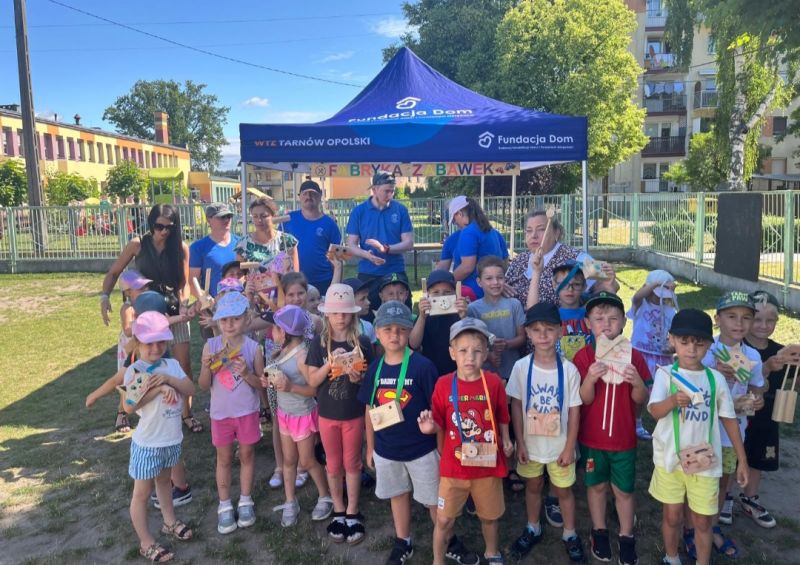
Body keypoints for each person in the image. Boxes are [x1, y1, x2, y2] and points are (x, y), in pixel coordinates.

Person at [648, 309, 749, 565]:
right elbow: (654, 411)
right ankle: (671, 557)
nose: (692, 349)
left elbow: (729, 419)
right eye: (684, 342)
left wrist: (742, 460)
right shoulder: (665, 374)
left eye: (699, 343)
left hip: (705, 462)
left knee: (703, 520)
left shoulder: (715, 379)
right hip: (669, 459)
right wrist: (672, 401)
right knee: (672, 516)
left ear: (709, 345)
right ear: (671, 339)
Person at [418, 317, 511, 565]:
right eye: (463, 350)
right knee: (443, 519)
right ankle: (438, 560)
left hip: (486, 466)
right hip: (453, 469)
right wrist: (430, 427)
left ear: (486, 353)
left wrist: (506, 439)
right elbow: (438, 420)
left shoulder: (493, 382)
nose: (470, 357)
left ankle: (492, 552)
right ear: (452, 353)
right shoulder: (443, 384)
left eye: (477, 351)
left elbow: (503, 415)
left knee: (489, 517)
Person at [100, 204, 199, 434]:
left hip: (173, 310)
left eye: (169, 227)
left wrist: (183, 303)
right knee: (136, 363)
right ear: (150, 224)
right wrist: (105, 296)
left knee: (183, 363)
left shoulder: (180, 247)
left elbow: (183, 283)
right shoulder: (137, 245)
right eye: (159, 226)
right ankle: (123, 411)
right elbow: (114, 272)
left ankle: (186, 413)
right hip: (145, 312)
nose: (164, 231)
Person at [357, 301, 441, 565]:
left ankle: (447, 539)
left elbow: (438, 410)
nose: (395, 335)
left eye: (402, 329)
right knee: (397, 494)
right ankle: (403, 540)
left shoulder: (423, 367)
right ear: (377, 333)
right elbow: (369, 409)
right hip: (387, 450)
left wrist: (440, 446)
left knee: (434, 500)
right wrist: (370, 447)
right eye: (388, 329)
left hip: (422, 450)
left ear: (410, 331)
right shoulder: (375, 368)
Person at [574, 292, 651, 565]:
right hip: (592, 438)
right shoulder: (584, 357)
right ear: (588, 323)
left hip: (623, 438)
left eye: (613, 318)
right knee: (596, 486)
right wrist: (590, 379)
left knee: (624, 490)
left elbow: (641, 399)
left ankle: (626, 535)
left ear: (623, 323)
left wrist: (638, 383)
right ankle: (599, 531)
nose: (606, 324)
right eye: (599, 318)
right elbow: (584, 399)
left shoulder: (634, 357)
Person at [506, 303, 585, 563]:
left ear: (560, 331)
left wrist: (570, 447)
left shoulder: (569, 370)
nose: (543, 335)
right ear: (528, 333)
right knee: (533, 485)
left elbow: (574, 411)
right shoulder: (521, 367)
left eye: (549, 329)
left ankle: (570, 533)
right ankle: (533, 526)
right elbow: (516, 405)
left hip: (560, 445)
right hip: (531, 445)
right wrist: (520, 442)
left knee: (564, 490)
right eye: (536, 330)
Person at [123, 311, 195, 563]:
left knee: (165, 483)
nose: (156, 348)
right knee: (141, 494)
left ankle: (169, 522)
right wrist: (158, 388)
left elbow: (190, 389)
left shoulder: (171, 365)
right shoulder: (135, 371)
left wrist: (169, 379)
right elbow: (130, 406)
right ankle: (146, 542)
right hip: (148, 444)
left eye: (161, 342)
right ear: (138, 343)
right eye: (149, 343)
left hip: (170, 439)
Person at [307, 284, 375, 545]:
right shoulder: (318, 343)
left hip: (354, 414)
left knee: (353, 464)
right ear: (327, 314)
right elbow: (313, 381)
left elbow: (370, 382)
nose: (341, 317)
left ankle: (353, 510)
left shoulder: (363, 343)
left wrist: (359, 379)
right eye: (335, 312)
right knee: (333, 464)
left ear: (353, 314)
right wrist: (330, 364)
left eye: (346, 312)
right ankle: (338, 508)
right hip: (327, 415)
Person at [701, 291, 764, 555]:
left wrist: (756, 400)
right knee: (697, 479)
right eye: (731, 316)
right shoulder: (705, 350)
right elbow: (690, 383)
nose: (739, 323)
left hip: (731, 434)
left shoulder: (753, 356)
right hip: (702, 430)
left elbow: (756, 387)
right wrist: (714, 372)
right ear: (717, 319)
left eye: (746, 317)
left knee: (722, 483)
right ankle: (691, 528)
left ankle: (712, 527)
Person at [198, 292, 264, 535]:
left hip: (247, 412)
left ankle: (246, 500)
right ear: (218, 321)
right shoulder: (211, 346)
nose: (229, 324)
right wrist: (206, 367)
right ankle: (224, 504)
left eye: (235, 319)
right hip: (220, 414)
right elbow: (203, 385)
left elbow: (261, 384)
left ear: (247, 319)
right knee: (223, 458)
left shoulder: (253, 348)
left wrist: (246, 374)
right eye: (224, 319)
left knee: (247, 455)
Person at [263, 305, 333, 528]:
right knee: (288, 460)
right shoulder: (281, 350)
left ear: (283, 332)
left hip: (302, 415)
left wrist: (290, 387)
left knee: (307, 461)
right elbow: (278, 376)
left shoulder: (302, 356)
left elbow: (314, 389)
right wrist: (268, 380)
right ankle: (290, 501)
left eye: (274, 328)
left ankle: (325, 496)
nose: (271, 332)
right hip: (285, 413)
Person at [742, 290, 792, 529]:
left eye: (770, 320)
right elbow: (743, 380)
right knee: (734, 455)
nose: (764, 325)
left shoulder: (782, 351)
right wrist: (767, 367)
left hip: (769, 416)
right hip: (740, 414)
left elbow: (794, 381)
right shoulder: (737, 347)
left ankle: (750, 498)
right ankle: (726, 496)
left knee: (759, 459)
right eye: (757, 319)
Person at [505, 209, 619, 308]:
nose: (533, 235)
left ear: (556, 233)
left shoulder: (576, 257)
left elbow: (609, 282)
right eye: (529, 231)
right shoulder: (519, 260)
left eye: (541, 229)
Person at [346, 172, 414, 316]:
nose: (390, 195)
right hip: (368, 272)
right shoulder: (359, 212)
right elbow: (351, 244)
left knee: (402, 315)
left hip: (395, 270)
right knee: (366, 316)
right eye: (386, 191)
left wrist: (386, 249)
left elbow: (408, 243)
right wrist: (367, 255)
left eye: (392, 191)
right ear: (374, 189)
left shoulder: (400, 210)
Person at [628, 270, 679, 440]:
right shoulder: (641, 305)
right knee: (639, 392)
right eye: (657, 294)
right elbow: (637, 297)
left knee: (664, 391)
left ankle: (665, 425)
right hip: (641, 355)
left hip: (662, 358)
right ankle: (637, 422)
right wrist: (655, 284)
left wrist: (672, 348)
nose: (660, 299)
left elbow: (675, 337)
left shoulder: (671, 311)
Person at [467, 256, 526, 381]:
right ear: (479, 282)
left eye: (499, 278)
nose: (495, 282)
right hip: (484, 374)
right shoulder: (472, 309)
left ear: (505, 279)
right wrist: (489, 355)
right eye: (489, 278)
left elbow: (522, 337)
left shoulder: (514, 304)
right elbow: (470, 342)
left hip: (512, 372)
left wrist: (507, 344)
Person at [283, 178, 342, 296]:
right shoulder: (288, 220)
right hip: (294, 281)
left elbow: (338, 258)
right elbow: (278, 250)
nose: (308, 197)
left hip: (323, 280)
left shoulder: (329, 224)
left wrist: (337, 286)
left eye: (313, 194)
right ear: (299, 197)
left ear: (320, 196)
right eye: (305, 193)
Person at [528, 259, 592, 361]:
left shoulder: (591, 314)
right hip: (558, 368)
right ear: (554, 285)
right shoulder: (551, 315)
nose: (570, 289)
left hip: (587, 368)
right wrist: (536, 272)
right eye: (564, 283)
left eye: (576, 284)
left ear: (584, 286)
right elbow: (532, 310)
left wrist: (609, 282)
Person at [114, 270, 153, 433]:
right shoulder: (127, 308)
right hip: (129, 350)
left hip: (141, 348)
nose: (145, 290)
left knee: (141, 377)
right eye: (140, 288)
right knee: (127, 380)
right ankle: (121, 413)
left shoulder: (145, 306)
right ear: (128, 292)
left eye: (145, 287)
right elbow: (128, 330)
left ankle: (143, 409)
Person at [410, 269, 468, 376]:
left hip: (457, 370)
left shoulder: (459, 314)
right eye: (436, 292)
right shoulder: (425, 316)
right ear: (428, 294)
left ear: (455, 293)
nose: (442, 296)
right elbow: (414, 344)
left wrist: (464, 317)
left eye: (447, 292)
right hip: (431, 370)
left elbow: (471, 340)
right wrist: (422, 317)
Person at [447, 196, 507, 299]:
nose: (455, 223)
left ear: (460, 213)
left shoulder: (468, 232)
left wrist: (447, 282)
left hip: (472, 295)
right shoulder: (492, 231)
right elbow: (504, 262)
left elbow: (467, 267)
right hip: (493, 293)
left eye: (454, 220)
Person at [189, 203, 240, 302]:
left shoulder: (241, 243)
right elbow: (192, 282)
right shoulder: (198, 248)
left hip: (240, 303)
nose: (226, 220)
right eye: (222, 217)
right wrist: (207, 301)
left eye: (229, 216)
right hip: (213, 305)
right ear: (209, 219)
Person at [235, 196, 299, 271]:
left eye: (264, 216)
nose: (259, 220)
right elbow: (239, 274)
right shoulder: (243, 244)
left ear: (273, 216)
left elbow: (294, 273)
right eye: (255, 216)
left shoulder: (288, 241)